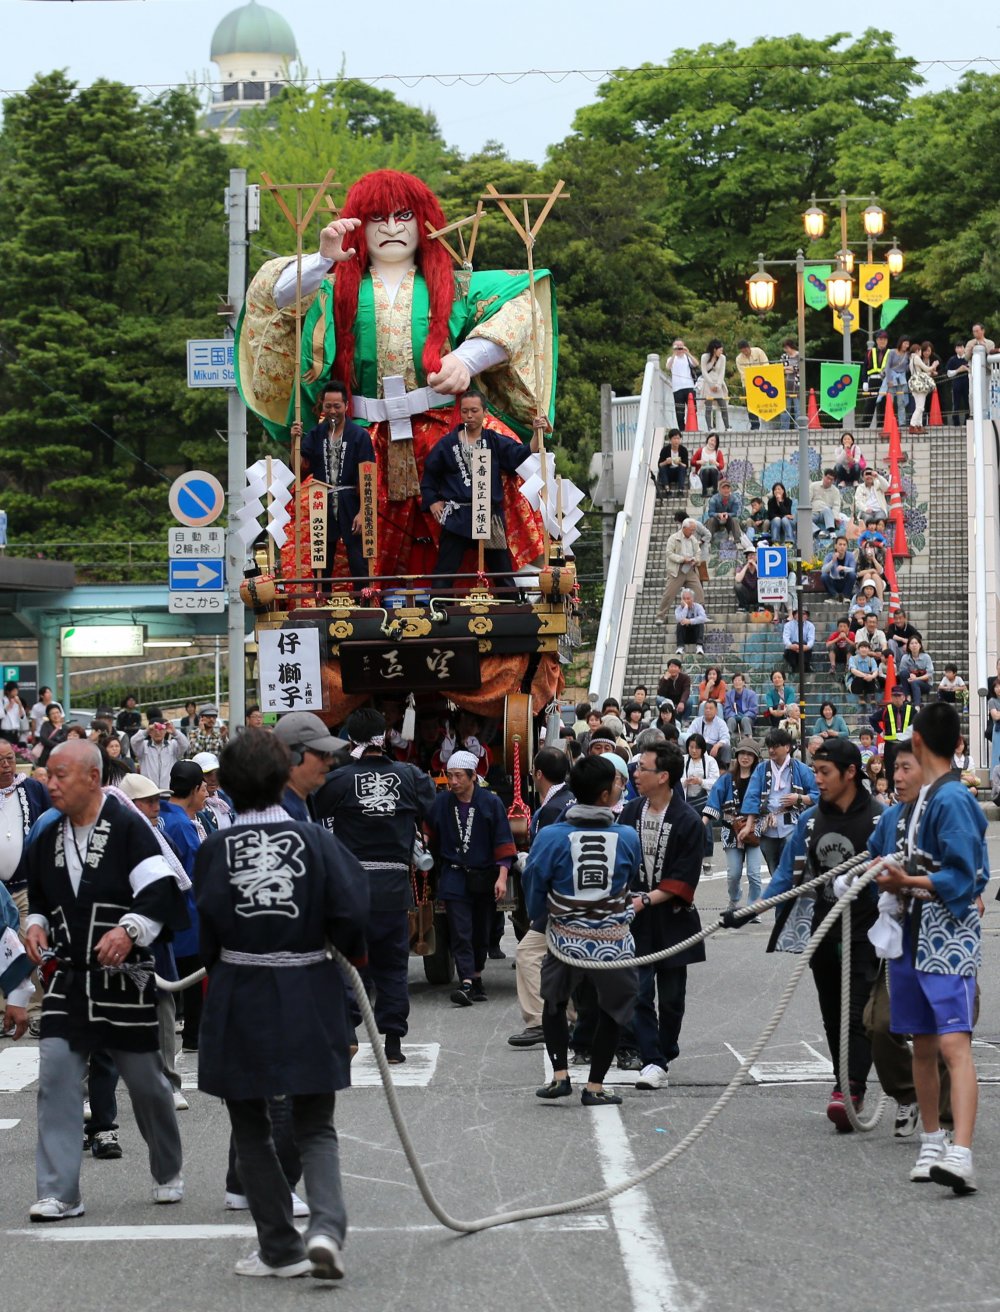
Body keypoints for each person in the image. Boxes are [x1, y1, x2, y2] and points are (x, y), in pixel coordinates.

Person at [238, 168, 552, 583]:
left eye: (402, 216)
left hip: (447, 425)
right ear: (357, 225)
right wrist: (321, 260)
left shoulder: (458, 287)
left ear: (423, 223)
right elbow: (275, 296)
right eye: (376, 217)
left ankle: (510, 595)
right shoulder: (331, 286)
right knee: (336, 525)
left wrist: (468, 359)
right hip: (361, 434)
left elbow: (522, 306)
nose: (390, 228)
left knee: (492, 492)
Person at [195, 729, 369, 1279]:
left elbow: (205, 934)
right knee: (315, 1123)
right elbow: (351, 911)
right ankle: (325, 1229)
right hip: (309, 988)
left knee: (250, 1125)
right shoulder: (314, 841)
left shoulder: (213, 848)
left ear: (224, 784)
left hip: (239, 991)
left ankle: (279, 1247)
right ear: (281, 776)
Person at [22, 741, 188, 1221]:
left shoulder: (129, 828)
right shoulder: (47, 836)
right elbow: (40, 903)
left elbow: (159, 891)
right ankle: (60, 1192)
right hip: (69, 979)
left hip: (122, 979)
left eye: (60, 775)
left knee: (146, 1084)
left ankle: (167, 1168)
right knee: (55, 1078)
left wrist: (130, 928)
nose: (50, 784)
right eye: (47, 775)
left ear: (92, 778)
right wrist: (35, 926)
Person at [873, 703, 988, 1193]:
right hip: (910, 934)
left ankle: (961, 1151)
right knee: (921, 1042)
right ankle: (932, 1139)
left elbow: (969, 875)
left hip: (946, 936)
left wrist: (907, 880)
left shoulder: (952, 798)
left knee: (953, 1042)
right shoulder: (916, 803)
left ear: (917, 741)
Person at [763, 739, 882, 1130]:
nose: (817, 779)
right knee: (833, 1014)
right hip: (824, 928)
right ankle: (841, 1082)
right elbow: (787, 874)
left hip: (867, 930)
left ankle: (851, 1087)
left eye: (824, 772)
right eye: (814, 771)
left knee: (859, 1011)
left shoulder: (880, 819)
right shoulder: (810, 820)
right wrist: (753, 907)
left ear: (851, 773)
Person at [313, 709, 435, 1064]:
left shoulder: (336, 780)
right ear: (385, 736)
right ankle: (393, 1041)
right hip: (395, 887)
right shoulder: (411, 776)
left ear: (351, 739)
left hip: (351, 889)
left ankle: (349, 1030)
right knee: (393, 964)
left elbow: (316, 818)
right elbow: (434, 812)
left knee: (350, 962)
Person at [525, 755, 638, 1107]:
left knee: (555, 1001)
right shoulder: (626, 836)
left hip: (563, 935)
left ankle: (560, 1076)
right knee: (614, 1008)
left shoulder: (551, 836)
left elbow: (533, 882)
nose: (622, 787)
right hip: (612, 940)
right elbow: (629, 879)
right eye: (618, 783)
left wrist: (542, 919)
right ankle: (596, 1085)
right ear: (605, 796)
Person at [620, 743, 706, 1090]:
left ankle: (664, 1052)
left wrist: (644, 899)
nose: (635, 774)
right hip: (636, 919)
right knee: (639, 992)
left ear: (664, 776)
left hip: (672, 917)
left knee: (672, 998)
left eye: (642, 768)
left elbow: (684, 878)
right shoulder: (629, 813)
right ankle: (653, 1059)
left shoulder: (688, 820)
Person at [420, 388, 540, 595]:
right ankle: (438, 606)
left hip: (488, 514)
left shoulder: (493, 440)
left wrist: (538, 432)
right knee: (446, 569)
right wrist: (432, 501)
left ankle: (510, 607)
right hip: (458, 515)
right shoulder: (447, 445)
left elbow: (520, 454)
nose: (469, 416)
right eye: (465, 411)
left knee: (501, 570)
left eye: (474, 411)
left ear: (484, 412)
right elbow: (429, 476)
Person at [426, 752, 516, 1006]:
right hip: (454, 874)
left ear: (473, 777)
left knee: (481, 930)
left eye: (457, 776)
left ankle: (476, 975)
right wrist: (421, 841)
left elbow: (502, 841)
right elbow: (427, 828)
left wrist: (501, 878)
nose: (452, 781)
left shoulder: (490, 802)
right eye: (449, 775)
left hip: (483, 875)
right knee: (460, 930)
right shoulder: (442, 802)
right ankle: (466, 980)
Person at [508, 748, 574, 1050]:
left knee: (528, 953)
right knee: (564, 957)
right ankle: (572, 1017)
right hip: (575, 895)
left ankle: (538, 1021)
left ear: (537, 774)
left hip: (555, 898)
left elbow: (543, 861)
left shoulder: (551, 810)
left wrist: (525, 862)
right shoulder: (567, 799)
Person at [292, 379, 375, 589]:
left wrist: (363, 512)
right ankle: (323, 601)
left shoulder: (359, 435)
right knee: (322, 556)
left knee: (357, 554)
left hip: (351, 500)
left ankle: (364, 601)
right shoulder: (316, 434)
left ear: (346, 406)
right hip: (323, 500)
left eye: (337, 406)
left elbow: (368, 476)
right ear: (322, 407)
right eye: (328, 406)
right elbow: (299, 468)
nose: (332, 411)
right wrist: (295, 442)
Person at [159, 761, 208, 1054]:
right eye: (203, 788)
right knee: (192, 979)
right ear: (193, 790)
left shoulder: (163, 815)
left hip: (166, 910)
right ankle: (194, 1036)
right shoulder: (182, 825)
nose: (206, 793)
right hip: (187, 911)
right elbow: (196, 873)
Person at [0, 740, 49, 1034]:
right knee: (1, 947)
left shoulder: (32, 789)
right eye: (0, 761)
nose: (6, 766)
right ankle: (6, 1010)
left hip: (26, 884)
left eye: (9, 759)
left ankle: (36, 1008)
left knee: (32, 945)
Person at [738, 728, 818, 877]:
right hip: (767, 825)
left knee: (788, 863)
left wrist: (799, 798)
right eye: (769, 747)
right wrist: (748, 826)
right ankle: (780, 894)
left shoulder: (801, 769)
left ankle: (787, 893)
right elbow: (752, 797)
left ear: (787, 747)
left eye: (775, 746)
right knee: (772, 866)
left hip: (792, 824)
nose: (771, 750)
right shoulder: (762, 769)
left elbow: (818, 794)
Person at [704, 740, 763, 915]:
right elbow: (714, 800)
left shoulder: (759, 778)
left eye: (750, 754)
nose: (745, 757)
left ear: (755, 758)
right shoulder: (726, 779)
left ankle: (753, 908)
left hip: (754, 830)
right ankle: (734, 899)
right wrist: (703, 823)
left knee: (754, 873)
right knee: (733, 874)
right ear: (736, 756)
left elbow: (768, 802)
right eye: (742, 753)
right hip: (731, 831)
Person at [272, 712, 348, 821]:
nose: (330, 761)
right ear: (292, 756)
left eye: (330, 754)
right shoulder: (277, 813)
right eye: (322, 753)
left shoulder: (304, 799)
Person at [680, 734, 718, 873]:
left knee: (706, 831)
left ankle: (706, 861)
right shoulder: (683, 760)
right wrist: (686, 781)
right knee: (687, 833)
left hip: (704, 801)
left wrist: (701, 782)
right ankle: (688, 860)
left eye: (697, 747)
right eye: (691, 747)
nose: (694, 750)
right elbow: (677, 779)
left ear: (702, 749)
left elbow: (715, 782)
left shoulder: (710, 761)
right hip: (687, 801)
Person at [655, 518, 705, 622]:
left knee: (699, 593)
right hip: (677, 570)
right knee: (669, 594)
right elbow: (669, 553)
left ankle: (700, 615)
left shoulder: (693, 539)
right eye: (691, 530)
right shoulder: (673, 538)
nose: (693, 532)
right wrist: (682, 559)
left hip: (690, 570)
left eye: (694, 530)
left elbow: (698, 552)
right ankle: (660, 616)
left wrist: (696, 560)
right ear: (684, 528)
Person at [870, 686, 914, 789]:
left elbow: (918, 724)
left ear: (904, 697)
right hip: (890, 746)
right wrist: (881, 732)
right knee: (890, 769)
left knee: (907, 768)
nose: (897, 698)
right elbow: (872, 719)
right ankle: (890, 791)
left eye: (899, 696)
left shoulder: (911, 710)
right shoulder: (886, 710)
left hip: (905, 745)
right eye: (894, 696)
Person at [130, 717, 189, 792]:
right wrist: (146, 731)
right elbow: (133, 741)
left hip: (168, 791)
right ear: (150, 733)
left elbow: (185, 744)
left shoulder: (173, 745)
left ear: (165, 731)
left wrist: (174, 732)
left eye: (161, 729)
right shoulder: (143, 747)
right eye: (154, 730)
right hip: (148, 792)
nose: (157, 732)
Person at [686, 699, 731, 770]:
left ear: (716, 711)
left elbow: (726, 738)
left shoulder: (721, 723)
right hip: (700, 747)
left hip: (714, 748)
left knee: (726, 747)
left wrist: (717, 745)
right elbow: (689, 734)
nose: (708, 710)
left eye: (710, 708)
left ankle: (724, 771)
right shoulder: (697, 721)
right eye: (706, 708)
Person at [735, 339, 769, 430]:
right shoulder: (739, 359)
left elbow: (766, 365)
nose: (745, 353)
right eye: (742, 351)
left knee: (764, 403)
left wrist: (758, 375)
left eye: (746, 350)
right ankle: (755, 426)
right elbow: (743, 373)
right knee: (750, 406)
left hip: (763, 382)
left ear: (749, 347)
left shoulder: (758, 351)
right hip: (748, 384)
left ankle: (766, 422)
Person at [861, 331, 891, 429]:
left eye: (884, 340)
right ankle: (864, 426)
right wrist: (864, 381)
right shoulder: (870, 352)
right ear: (877, 340)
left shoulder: (890, 353)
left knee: (882, 403)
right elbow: (864, 367)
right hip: (873, 380)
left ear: (887, 341)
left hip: (885, 381)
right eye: (880, 339)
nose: (882, 341)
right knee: (870, 403)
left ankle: (881, 426)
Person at [668, 339, 699, 430]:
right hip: (677, 389)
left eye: (681, 346)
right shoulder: (671, 359)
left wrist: (688, 353)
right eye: (677, 347)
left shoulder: (687, 357)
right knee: (679, 411)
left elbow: (696, 364)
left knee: (693, 409)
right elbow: (668, 367)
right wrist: (674, 353)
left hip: (689, 386)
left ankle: (693, 427)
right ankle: (682, 429)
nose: (679, 349)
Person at [703, 477, 744, 545]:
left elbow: (735, 513)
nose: (726, 490)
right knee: (711, 520)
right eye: (723, 488)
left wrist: (727, 514)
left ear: (730, 489)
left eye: (727, 488)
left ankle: (738, 541)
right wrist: (718, 514)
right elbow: (710, 513)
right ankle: (708, 542)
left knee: (735, 520)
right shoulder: (714, 499)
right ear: (719, 489)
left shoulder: (734, 499)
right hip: (717, 520)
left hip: (729, 520)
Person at [907, 342, 937, 432]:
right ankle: (912, 425)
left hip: (914, 383)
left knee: (918, 406)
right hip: (919, 384)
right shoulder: (916, 357)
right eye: (920, 351)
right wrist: (934, 365)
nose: (921, 353)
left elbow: (919, 372)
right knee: (920, 407)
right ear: (917, 350)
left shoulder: (911, 359)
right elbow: (926, 368)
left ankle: (919, 425)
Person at [700, 339, 729, 431]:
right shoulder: (705, 357)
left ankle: (727, 426)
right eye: (720, 350)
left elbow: (722, 372)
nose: (721, 352)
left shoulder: (722, 358)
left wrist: (718, 385)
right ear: (714, 349)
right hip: (708, 384)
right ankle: (710, 427)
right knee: (708, 407)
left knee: (723, 405)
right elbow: (704, 371)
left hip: (718, 383)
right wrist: (711, 384)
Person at [811, 470, 848, 539]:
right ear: (824, 476)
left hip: (825, 514)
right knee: (802, 519)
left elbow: (836, 506)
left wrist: (835, 517)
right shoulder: (813, 486)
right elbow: (808, 500)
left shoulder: (835, 491)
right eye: (828, 478)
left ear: (834, 481)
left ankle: (832, 532)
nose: (829, 481)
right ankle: (818, 532)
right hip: (813, 512)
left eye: (832, 479)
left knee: (827, 509)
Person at [898, 636, 934, 707]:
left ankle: (917, 706)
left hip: (925, 684)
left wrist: (916, 679)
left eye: (916, 643)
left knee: (915, 682)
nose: (914, 645)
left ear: (920, 645)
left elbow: (929, 674)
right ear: (908, 646)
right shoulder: (905, 658)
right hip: (910, 683)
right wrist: (911, 675)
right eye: (911, 643)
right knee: (903, 673)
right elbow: (902, 673)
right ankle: (908, 697)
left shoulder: (926, 657)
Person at [723, 672, 758, 739]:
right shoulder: (728, 694)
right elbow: (727, 710)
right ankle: (726, 739)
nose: (737, 682)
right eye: (735, 680)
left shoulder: (751, 694)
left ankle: (749, 739)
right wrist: (734, 715)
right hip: (734, 717)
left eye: (739, 680)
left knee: (745, 719)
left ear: (743, 682)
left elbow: (754, 710)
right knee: (730, 720)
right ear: (733, 682)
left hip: (747, 718)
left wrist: (745, 715)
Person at [655, 428, 689, 496]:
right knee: (663, 468)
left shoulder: (683, 450)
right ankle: (667, 489)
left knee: (682, 468)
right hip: (668, 473)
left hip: (678, 473)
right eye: (674, 438)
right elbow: (659, 465)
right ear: (670, 439)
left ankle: (680, 490)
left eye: (678, 438)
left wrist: (679, 463)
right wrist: (666, 462)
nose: (676, 441)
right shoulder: (665, 450)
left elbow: (686, 465)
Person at [674, 588, 707, 656]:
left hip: (695, 635)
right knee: (680, 624)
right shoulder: (678, 609)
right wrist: (685, 607)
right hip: (685, 635)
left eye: (688, 598)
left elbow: (703, 618)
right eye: (684, 599)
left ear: (692, 599)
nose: (686, 600)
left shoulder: (698, 607)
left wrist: (690, 621)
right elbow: (679, 619)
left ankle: (699, 647)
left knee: (700, 623)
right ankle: (680, 647)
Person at [691, 432, 725, 498]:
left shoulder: (718, 452)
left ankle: (715, 490)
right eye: (711, 440)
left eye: (715, 441)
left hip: (714, 476)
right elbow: (692, 462)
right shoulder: (700, 450)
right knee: (706, 470)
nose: (712, 443)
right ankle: (704, 491)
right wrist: (699, 462)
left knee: (712, 470)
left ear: (716, 444)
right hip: (703, 475)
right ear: (708, 440)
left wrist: (715, 463)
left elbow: (721, 466)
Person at [782, 606, 815, 673]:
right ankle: (793, 667)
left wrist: (807, 646)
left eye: (804, 614)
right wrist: (791, 646)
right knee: (793, 645)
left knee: (805, 646)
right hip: (792, 649)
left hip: (804, 648)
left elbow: (811, 639)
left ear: (807, 616)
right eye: (799, 613)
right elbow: (785, 638)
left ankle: (806, 666)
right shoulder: (788, 625)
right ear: (794, 615)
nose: (801, 615)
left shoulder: (810, 625)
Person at [945, 342, 970, 426]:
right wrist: (958, 370)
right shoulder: (952, 359)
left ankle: (967, 421)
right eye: (957, 348)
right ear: (955, 349)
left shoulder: (968, 359)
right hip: (956, 383)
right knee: (956, 403)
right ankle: (956, 422)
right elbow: (948, 373)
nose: (959, 349)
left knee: (968, 402)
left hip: (967, 383)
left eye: (961, 347)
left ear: (964, 348)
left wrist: (966, 369)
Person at [778, 339, 801, 429]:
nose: (786, 350)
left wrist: (788, 368)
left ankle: (798, 428)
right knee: (785, 409)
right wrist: (791, 368)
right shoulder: (784, 356)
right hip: (785, 385)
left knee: (797, 409)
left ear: (791, 346)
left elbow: (798, 368)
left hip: (797, 385)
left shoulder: (799, 355)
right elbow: (781, 368)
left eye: (787, 348)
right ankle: (784, 428)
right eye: (785, 348)